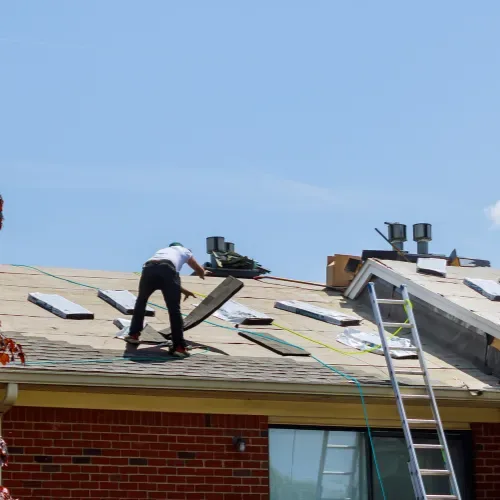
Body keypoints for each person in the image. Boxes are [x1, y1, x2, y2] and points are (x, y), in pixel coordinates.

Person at [122, 242, 208, 357]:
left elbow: (163, 278)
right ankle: (179, 347)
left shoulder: (163, 251)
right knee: (174, 310)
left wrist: (183, 290)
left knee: (141, 302)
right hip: (167, 269)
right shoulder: (185, 250)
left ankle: (133, 335)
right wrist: (203, 273)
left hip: (149, 268)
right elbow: (197, 269)